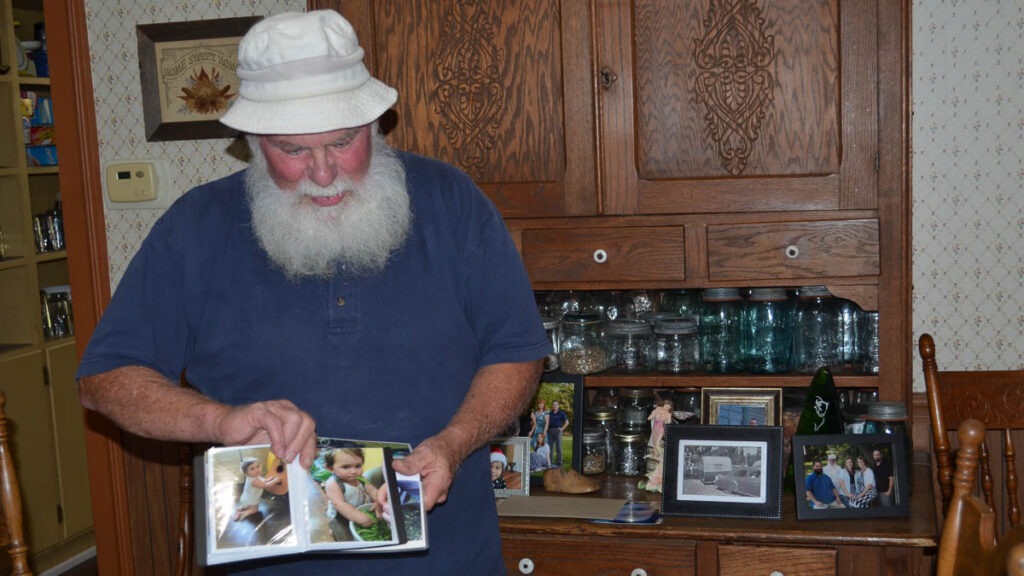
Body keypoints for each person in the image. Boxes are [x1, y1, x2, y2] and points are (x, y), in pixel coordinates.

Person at [75, 9, 550, 574]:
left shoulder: (453, 203)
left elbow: (516, 350)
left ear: (374, 125)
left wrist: (454, 442)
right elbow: (104, 381)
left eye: (343, 143)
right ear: (253, 142)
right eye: (293, 151)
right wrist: (218, 422)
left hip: (448, 559)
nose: (324, 173)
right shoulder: (194, 228)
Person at [323, 448, 380, 542]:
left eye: (358, 466)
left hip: (359, 507)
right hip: (341, 517)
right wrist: (361, 518)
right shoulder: (333, 484)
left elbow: (372, 490)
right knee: (344, 536)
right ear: (330, 468)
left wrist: (377, 500)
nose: (354, 471)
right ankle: (335, 535)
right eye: (346, 467)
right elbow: (340, 504)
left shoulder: (360, 478)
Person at [234, 456, 281, 521]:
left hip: (246, 498)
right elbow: (265, 485)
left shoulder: (254, 476)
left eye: (258, 466)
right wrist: (275, 481)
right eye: (252, 469)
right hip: (251, 500)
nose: (256, 470)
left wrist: (269, 479)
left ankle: (239, 510)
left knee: (246, 506)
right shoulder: (254, 481)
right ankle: (243, 513)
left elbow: (263, 481)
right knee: (254, 510)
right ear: (246, 473)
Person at [546, 401, 570, 467]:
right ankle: (549, 462)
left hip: (558, 431)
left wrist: (562, 429)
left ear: (558, 406)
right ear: (552, 406)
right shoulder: (550, 413)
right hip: (550, 431)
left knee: (558, 447)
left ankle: (559, 462)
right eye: (553, 405)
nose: (554, 406)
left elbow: (567, 422)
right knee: (550, 448)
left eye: (556, 405)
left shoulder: (561, 413)